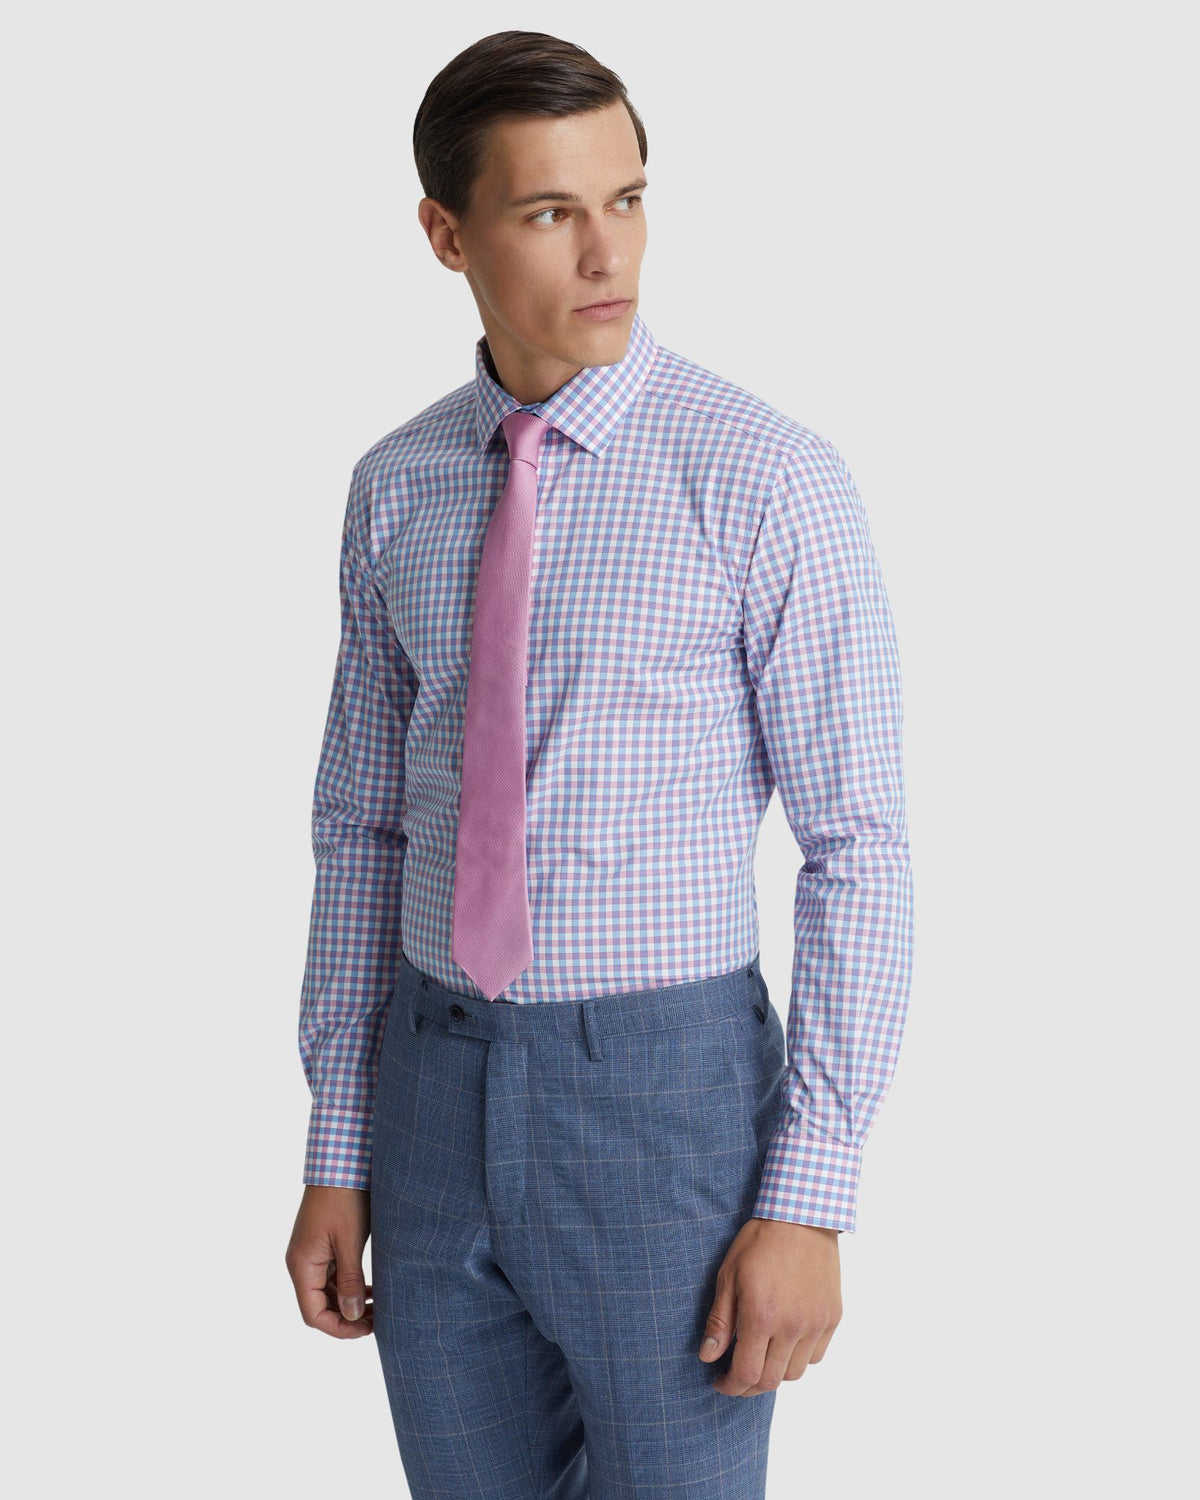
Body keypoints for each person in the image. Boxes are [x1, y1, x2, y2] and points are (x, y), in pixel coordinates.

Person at [285, 28, 913, 1500]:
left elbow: (859, 846)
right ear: (448, 234)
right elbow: (361, 830)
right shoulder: (396, 486)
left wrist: (812, 1192)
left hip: (665, 1106)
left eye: (627, 200)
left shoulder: (765, 478)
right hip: (430, 1092)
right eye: (550, 211)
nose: (606, 251)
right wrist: (339, 1144)